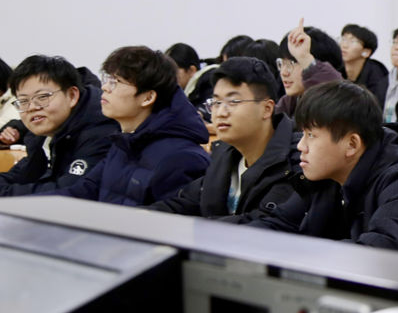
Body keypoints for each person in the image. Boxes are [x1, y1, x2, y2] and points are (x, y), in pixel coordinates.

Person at [253, 81, 398, 259]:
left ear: (352, 144)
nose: (301, 146)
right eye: (303, 134)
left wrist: (295, 254)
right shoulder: (328, 174)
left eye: (311, 135)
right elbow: (280, 224)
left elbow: (375, 256)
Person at [52, 46, 210, 206]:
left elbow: (168, 218)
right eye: (107, 79)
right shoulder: (125, 143)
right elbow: (84, 191)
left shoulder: (181, 158)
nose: (104, 87)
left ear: (148, 97)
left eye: (116, 82)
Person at [148, 58, 297, 221]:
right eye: (216, 102)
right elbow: (186, 203)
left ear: (267, 109)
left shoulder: (297, 160)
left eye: (233, 101)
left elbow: (263, 224)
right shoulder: (223, 154)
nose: (220, 113)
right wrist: (136, 217)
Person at [0, 55, 119, 197]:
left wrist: (6, 193)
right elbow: (26, 171)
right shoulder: (47, 129)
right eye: (23, 101)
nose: (32, 107)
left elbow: (70, 192)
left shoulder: (101, 129)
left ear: (72, 95)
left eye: (42, 97)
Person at [275, 20, 345, 117]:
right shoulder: (288, 103)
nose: (283, 73)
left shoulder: (342, 102)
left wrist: (305, 58)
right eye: (282, 63)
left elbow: (337, 91)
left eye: (292, 63)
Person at [340, 23, 389, 108]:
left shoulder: (377, 75)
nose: (344, 45)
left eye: (352, 41)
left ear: (366, 52)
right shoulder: (335, 68)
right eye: (344, 39)